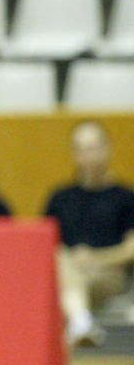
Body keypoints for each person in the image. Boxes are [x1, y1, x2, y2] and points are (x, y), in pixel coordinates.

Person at [44, 121, 134, 347]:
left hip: (108, 273)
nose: (89, 156)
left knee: (68, 269)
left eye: (94, 147)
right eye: (82, 149)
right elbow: (43, 243)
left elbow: (131, 248)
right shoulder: (60, 197)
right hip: (66, 268)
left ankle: (80, 321)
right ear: (74, 154)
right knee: (64, 262)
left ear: (107, 149)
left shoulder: (125, 197)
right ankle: (81, 321)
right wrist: (74, 258)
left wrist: (96, 258)